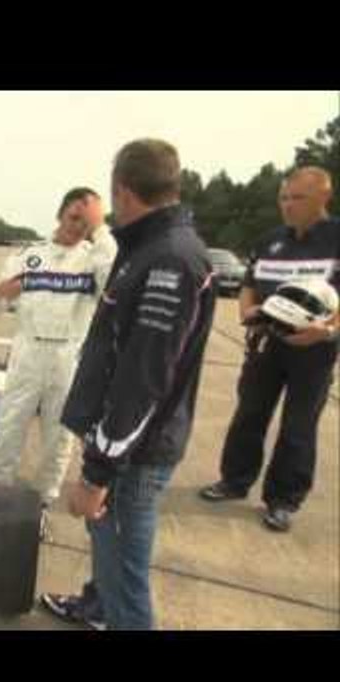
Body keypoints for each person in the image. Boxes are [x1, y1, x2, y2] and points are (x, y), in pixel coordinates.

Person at [45, 139, 216, 631]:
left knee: (126, 581)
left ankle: (112, 612)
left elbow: (144, 380)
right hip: (120, 443)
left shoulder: (169, 260)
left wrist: (97, 474)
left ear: (122, 188)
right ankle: (97, 607)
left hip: (132, 455)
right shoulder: (148, 247)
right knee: (111, 562)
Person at [200, 167, 340, 532]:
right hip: (266, 342)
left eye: (298, 198)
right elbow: (249, 282)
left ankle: (282, 500)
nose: (288, 206)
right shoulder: (270, 240)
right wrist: (247, 311)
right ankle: (234, 480)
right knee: (249, 413)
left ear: (324, 198)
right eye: (284, 198)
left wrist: (327, 330)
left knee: (298, 425)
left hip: (313, 350)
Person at [0, 188, 117, 509]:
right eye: (74, 217)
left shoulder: (94, 259)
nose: (77, 226)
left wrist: (100, 231)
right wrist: (0, 292)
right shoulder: (28, 256)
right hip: (28, 350)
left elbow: (114, 280)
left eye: (86, 222)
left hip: (69, 356)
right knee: (10, 425)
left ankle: (44, 499)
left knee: (60, 436)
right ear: (60, 214)